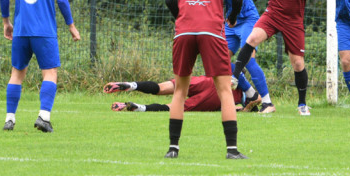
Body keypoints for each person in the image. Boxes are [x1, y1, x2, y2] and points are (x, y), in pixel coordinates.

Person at [165, 0, 244, 159]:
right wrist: (232, 16)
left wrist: (182, 18)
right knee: (224, 90)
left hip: (185, 30)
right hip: (212, 30)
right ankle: (231, 150)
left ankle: (173, 149)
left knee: (180, 90)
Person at [0, 0, 81, 132]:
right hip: (44, 31)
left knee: (16, 74)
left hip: (21, 31)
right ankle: (43, 116)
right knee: (50, 73)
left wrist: (6, 22)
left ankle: (10, 119)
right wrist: (71, 25)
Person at [231, 0, 320, 115]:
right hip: (273, 14)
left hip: (294, 20)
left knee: (297, 64)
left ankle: (302, 104)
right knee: (252, 38)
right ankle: (234, 76)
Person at [106, 73, 256, 113]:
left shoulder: (239, 79)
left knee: (161, 88)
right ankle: (140, 108)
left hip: (207, 80)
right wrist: (248, 108)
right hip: (217, 97)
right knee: (175, 107)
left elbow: (232, 66)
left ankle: (131, 85)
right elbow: (238, 108)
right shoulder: (242, 98)